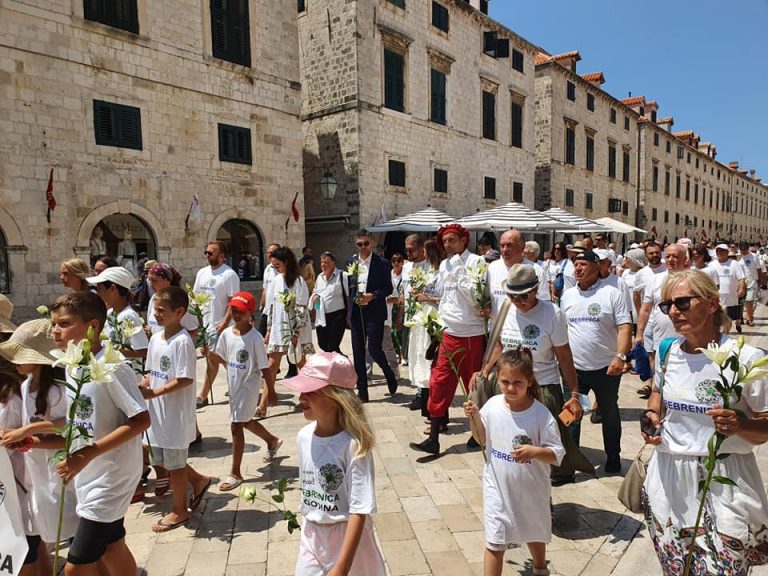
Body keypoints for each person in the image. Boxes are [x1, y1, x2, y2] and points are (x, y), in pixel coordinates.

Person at [641, 269, 768, 573]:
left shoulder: (744, 357)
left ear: (712, 304)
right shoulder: (667, 351)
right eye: (667, 305)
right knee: (677, 568)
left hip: (725, 478)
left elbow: (764, 425)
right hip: (669, 476)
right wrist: (652, 415)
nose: (673, 311)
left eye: (682, 303)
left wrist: (740, 426)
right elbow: (658, 392)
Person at [45, 292, 150, 576]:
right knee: (112, 546)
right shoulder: (72, 365)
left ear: (92, 325)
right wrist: (37, 439)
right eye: (53, 324)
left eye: (64, 323)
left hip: (111, 477)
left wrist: (88, 454)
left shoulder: (112, 367)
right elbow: (79, 424)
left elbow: (141, 419)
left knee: (75, 568)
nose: (55, 331)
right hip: (89, 475)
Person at [472, 264, 590, 485]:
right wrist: (486, 370)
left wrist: (573, 393)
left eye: (523, 296)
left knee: (543, 443)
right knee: (508, 438)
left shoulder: (551, 313)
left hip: (542, 387)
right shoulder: (505, 308)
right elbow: (499, 344)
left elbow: (564, 356)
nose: (518, 302)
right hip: (507, 386)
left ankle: (548, 485)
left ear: (536, 290)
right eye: (513, 296)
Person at [282, 352, 386, 576]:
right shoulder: (303, 437)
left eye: (310, 392)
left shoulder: (354, 446)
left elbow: (359, 509)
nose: (301, 397)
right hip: (312, 538)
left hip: (348, 542)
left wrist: (341, 567)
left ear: (334, 397)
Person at [463, 349, 565, 576]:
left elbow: (557, 453)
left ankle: (540, 567)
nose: (510, 388)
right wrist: (474, 419)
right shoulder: (492, 405)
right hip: (497, 489)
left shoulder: (541, 415)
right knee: (494, 542)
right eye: (505, 382)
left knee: (534, 532)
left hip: (531, 491)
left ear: (529, 381)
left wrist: (534, 451)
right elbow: (481, 439)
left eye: (517, 382)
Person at [0, 319, 78, 559]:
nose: (14, 361)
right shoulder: (25, 387)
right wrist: (21, 439)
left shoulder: (58, 391)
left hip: (62, 471)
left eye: (20, 355)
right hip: (37, 472)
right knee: (48, 528)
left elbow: (69, 429)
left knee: (76, 535)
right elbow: (32, 435)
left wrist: (26, 433)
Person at [411, 223, 488, 455]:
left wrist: (459, 270)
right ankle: (433, 438)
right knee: (439, 382)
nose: (447, 245)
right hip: (449, 333)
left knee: (473, 386)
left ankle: (478, 433)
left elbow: (477, 299)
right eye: (444, 241)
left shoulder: (477, 262)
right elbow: (446, 298)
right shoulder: (445, 265)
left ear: (463, 241)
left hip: (472, 335)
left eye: (452, 240)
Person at [140, 286, 212, 532]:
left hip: (175, 414)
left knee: (176, 465)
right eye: (155, 309)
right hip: (157, 413)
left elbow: (185, 378)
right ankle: (200, 481)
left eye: (162, 310)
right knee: (168, 460)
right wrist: (142, 385)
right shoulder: (155, 339)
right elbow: (151, 371)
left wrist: (156, 392)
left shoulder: (182, 342)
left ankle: (180, 510)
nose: (157, 314)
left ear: (179, 311)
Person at [560, 250, 631, 473]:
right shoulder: (568, 295)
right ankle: (570, 460)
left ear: (596, 266)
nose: (578, 269)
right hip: (574, 368)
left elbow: (624, 327)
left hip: (606, 368)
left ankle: (613, 456)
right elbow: (562, 329)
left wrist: (620, 356)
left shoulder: (612, 293)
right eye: (575, 264)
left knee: (609, 412)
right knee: (571, 412)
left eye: (583, 264)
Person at [211, 291, 282, 491]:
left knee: (236, 426)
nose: (235, 315)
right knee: (245, 421)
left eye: (239, 311)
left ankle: (235, 472)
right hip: (233, 387)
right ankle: (271, 440)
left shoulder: (255, 338)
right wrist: (210, 355)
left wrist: (271, 392)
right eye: (232, 310)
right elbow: (222, 359)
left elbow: (264, 367)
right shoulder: (226, 335)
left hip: (249, 386)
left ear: (250, 313)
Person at [346, 230, 398, 402]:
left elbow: (388, 288)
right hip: (357, 313)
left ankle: (388, 372)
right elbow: (348, 290)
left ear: (372, 243)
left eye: (366, 244)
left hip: (374, 311)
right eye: (359, 244)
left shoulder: (382, 263)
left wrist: (372, 296)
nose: (363, 248)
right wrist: (349, 310)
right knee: (358, 352)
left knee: (375, 349)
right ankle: (363, 390)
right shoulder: (351, 262)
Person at [263, 247, 314, 416]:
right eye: (273, 266)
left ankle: (309, 394)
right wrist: (269, 330)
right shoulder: (276, 281)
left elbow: (301, 308)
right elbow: (271, 307)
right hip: (279, 329)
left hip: (294, 329)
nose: (276, 269)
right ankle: (264, 403)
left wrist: (296, 332)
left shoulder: (298, 282)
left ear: (286, 263)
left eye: (278, 265)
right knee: (271, 366)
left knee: (300, 362)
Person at [193, 241, 240, 407]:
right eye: (206, 252)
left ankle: (205, 394)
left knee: (216, 358)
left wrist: (224, 323)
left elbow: (233, 301)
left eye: (210, 253)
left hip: (223, 325)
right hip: (207, 324)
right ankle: (239, 382)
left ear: (221, 256)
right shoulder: (202, 273)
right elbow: (196, 297)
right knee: (216, 359)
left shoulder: (229, 275)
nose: (207, 255)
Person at [402, 234, 439, 412]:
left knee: (425, 357)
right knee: (414, 356)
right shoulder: (406, 267)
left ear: (420, 249)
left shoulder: (429, 268)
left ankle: (425, 395)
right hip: (411, 319)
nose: (408, 253)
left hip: (425, 318)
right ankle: (419, 392)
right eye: (406, 250)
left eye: (411, 250)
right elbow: (404, 292)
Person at [86, 266, 149, 370]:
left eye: (100, 289)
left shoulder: (128, 316)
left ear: (112, 289)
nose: (99, 293)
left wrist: (113, 351)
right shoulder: (110, 313)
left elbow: (143, 350)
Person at [312, 251, 349, 354]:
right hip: (322, 315)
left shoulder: (342, 276)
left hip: (337, 316)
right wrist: (314, 297)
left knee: (333, 344)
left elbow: (349, 296)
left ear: (333, 263)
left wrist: (349, 314)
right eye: (322, 262)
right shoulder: (320, 277)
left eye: (327, 262)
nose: (324, 265)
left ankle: (337, 366)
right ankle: (341, 361)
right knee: (322, 344)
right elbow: (316, 291)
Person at [145, 263, 197, 336]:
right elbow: (152, 325)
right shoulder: (154, 298)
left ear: (167, 280)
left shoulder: (181, 300)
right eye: (149, 281)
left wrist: (170, 338)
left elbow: (194, 331)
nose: (150, 285)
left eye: (154, 280)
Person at [710, 243, 746, 334]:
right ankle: (720, 333)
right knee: (718, 315)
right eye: (718, 251)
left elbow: (741, 278)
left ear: (727, 252)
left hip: (731, 295)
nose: (719, 252)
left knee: (730, 316)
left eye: (722, 251)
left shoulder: (734, 264)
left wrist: (741, 288)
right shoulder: (712, 264)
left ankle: (733, 327)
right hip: (717, 295)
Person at [739, 242, 759, 326]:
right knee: (741, 303)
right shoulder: (737, 258)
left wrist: (760, 282)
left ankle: (749, 319)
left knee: (749, 301)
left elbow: (759, 269)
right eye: (741, 250)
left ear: (748, 249)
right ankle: (740, 318)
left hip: (752, 283)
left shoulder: (754, 257)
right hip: (740, 283)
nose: (743, 252)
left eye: (745, 250)